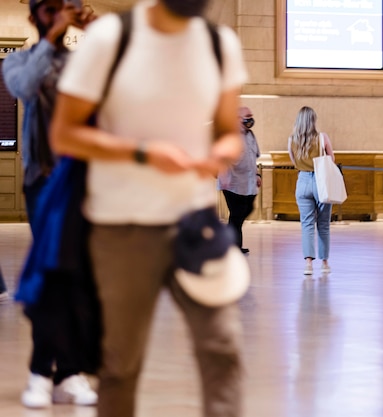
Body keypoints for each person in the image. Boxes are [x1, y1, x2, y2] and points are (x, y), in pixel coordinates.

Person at [49, 0, 248, 415]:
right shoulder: (111, 38)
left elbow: (231, 132)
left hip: (194, 223)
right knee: (120, 364)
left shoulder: (218, 44)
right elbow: (65, 134)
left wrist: (218, 154)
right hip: (123, 227)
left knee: (223, 348)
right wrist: (142, 153)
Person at [2, 0, 98, 408]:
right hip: (45, 181)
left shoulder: (84, 60)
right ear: (34, 16)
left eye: (63, 8)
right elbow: (24, 88)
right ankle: (46, 372)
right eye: (48, 9)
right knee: (54, 273)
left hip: (89, 181)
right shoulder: (19, 60)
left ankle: (68, 372)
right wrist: (53, 39)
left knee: (81, 279)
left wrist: (96, 37)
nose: (56, 15)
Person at [288, 106, 334, 276]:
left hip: (303, 181)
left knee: (306, 224)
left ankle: (308, 264)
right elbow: (331, 160)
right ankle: (324, 263)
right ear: (313, 121)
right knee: (323, 224)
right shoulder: (322, 138)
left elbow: (294, 162)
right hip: (321, 182)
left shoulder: (292, 140)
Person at [218, 106, 261, 254]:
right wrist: (223, 177)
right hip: (232, 183)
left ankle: (231, 244)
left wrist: (258, 175)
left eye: (251, 115)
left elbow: (253, 158)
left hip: (248, 183)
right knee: (236, 215)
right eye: (247, 116)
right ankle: (233, 247)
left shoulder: (250, 135)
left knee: (246, 210)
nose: (250, 118)